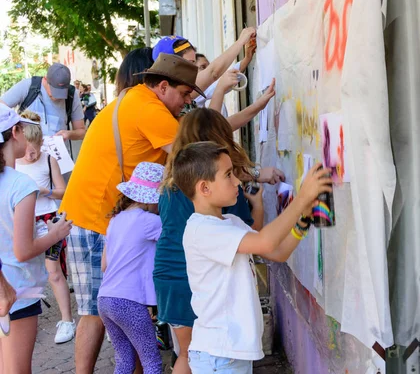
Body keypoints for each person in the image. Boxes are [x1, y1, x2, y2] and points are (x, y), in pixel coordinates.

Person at [59, 53, 202, 373]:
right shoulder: (149, 108)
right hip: (95, 219)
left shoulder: (138, 98)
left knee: (110, 319)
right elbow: (196, 153)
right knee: (95, 312)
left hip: (100, 217)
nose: (186, 103)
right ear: (163, 87)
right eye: (184, 95)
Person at [171, 141, 331, 373]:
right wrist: (301, 200)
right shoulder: (202, 230)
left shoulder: (230, 223)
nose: (237, 181)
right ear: (204, 188)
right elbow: (266, 241)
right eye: (228, 175)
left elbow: (277, 251)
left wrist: (303, 221)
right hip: (219, 355)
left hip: (228, 353)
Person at [154, 108, 284, 374]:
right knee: (201, 353)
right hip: (200, 280)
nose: (234, 180)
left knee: (188, 355)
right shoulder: (221, 196)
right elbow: (254, 237)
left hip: (169, 276)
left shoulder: (172, 182)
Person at [0, 104, 72, 372]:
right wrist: (56, 232)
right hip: (18, 287)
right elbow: (23, 251)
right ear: (15, 132)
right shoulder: (21, 185)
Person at [14, 110, 75, 344]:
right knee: (26, 269)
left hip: (50, 219)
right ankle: (25, 318)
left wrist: (44, 191)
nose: (32, 154)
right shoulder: (12, 164)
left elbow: (63, 190)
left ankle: (67, 320)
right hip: (25, 220)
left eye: (36, 148)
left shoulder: (49, 159)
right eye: (28, 149)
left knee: (53, 271)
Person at [98, 162, 165, 374]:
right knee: (152, 362)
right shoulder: (149, 221)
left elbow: (104, 265)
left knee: (124, 361)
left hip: (105, 300)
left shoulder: (116, 220)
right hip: (130, 303)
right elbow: (178, 241)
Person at [152, 34, 269, 131]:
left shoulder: (184, 95)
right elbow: (214, 73)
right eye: (188, 64)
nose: (193, 71)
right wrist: (241, 41)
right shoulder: (159, 112)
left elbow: (218, 128)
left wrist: (258, 105)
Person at [0, 63, 86, 144]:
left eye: (62, 92)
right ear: (45, 79)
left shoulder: (72, 94)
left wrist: (69, 134)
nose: (58, 97)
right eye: (54, 91)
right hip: (27, 156)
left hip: (56, 156)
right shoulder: (28, 86)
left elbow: (82, 132)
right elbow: (2, 108)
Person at [193, 37, 256, 117]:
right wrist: (246, 58)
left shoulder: (216, 101)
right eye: (203, 67)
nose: (207, 72)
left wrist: (247, 59)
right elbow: (221, 81)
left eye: (208, 67)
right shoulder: (194, 92)